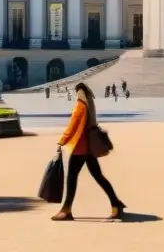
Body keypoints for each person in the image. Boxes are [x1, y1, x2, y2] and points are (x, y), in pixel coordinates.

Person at [53, 83, 125, 222]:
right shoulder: (89, 102)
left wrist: (62, 140)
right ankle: (116, 203)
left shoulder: (81, 104)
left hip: (81, 146)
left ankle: (66, 209)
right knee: (98, 176)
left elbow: (74, 124)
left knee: (72, 177)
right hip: (89, 147)